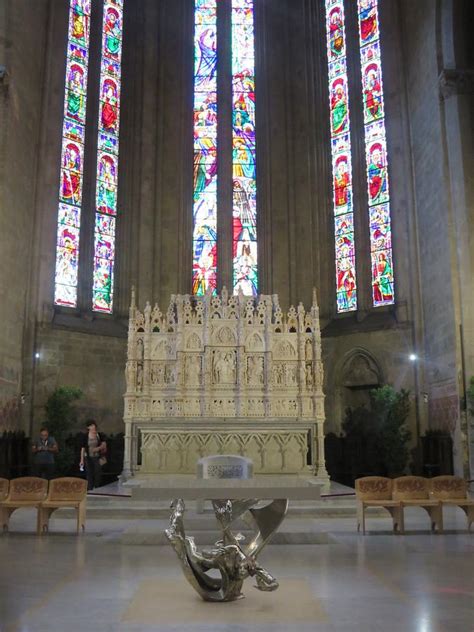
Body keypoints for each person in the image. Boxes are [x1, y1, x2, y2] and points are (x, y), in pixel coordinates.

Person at [79, 420, 107, 491]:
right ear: (88, 427)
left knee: (97, 472)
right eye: (91, 426)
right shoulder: (85, 436)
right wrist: (81, 460)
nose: (93, 427)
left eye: (93, 425)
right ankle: (90, 489)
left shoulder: (99, 435)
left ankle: (97, 487)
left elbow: (104, 445)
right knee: (89, 473)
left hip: (97, 457)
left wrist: (98, 448)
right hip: (88, 457)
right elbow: (83, 449)